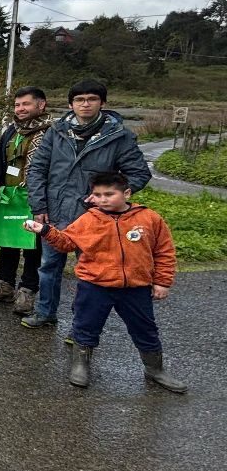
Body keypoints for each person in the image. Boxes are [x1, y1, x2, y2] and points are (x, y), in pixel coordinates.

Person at [23, 172, 185, 393]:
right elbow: (67, 242)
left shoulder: (149, 218)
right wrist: (45, 231)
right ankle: (80, 364)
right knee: (85, 325)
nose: (103, 199)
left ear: (126, 193)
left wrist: (162, 282)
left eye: (109, 194)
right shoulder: (89, 219)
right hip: (94, 286)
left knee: (145, 329)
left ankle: (155, 369)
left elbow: (164, 251)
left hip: (136, 288)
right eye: (97, 195)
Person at [22, 80, 152, 329]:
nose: (85, 104)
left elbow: (138, 174)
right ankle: (45, 312)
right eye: (79, 100)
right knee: (48, 267)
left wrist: (109, 197)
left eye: (91, 99)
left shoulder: (119, 136)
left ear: (102, 102)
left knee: (90, 273)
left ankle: (81, 326)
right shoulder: (56, 131)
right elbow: (37, 170)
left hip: (96, 218)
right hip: (55, 214)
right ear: (71, 104)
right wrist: (39, 207)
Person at [0, 86, 53, 311]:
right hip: (10, 197)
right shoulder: (11, 131)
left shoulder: (52, 132)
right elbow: (0, 160)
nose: (20, 109)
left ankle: (27, 291)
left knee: (33, 246)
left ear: (41, 105)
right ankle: (4, 286)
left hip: (38, 198)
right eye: (17, 105)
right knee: (8, 242)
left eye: (26, 104)